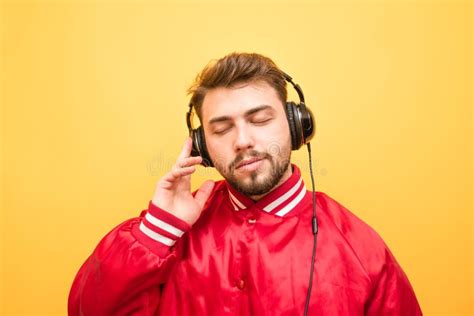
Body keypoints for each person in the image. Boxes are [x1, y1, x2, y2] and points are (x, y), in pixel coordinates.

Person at [68, 52, 423, 315]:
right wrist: (157, 230)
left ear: (296, 125)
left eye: (260, 119)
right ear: (202, 146)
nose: (243, 140)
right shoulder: (166, 235)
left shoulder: (361, 249)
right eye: (221, 129)